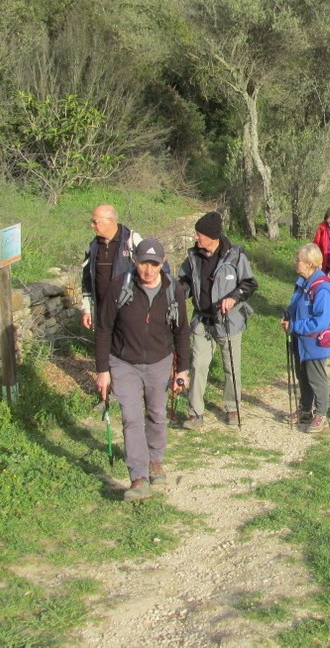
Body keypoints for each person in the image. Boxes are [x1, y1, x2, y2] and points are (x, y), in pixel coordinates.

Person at [95, 239, 190, 501]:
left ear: (163, 263)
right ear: (135, 261)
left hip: (159, 361)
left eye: (154, 264)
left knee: (157, 414)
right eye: (143, 263)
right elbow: (103, 329)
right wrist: (102, 370)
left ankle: (155, 460)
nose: (148, 270)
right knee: (131, 417)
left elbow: (181, 331)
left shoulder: (174, 291)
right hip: (123, 362)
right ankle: (138, 476)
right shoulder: (119, 286)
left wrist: (182, 369)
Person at [178, 211, 258, 429]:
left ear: (212, 236)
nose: (196, 238)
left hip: (229, 321)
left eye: (199, 234)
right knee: (198, 365)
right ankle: (195, 412)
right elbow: (183, 283)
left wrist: (233, 297)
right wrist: (175, 294)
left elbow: (250, 284)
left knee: (231, 366)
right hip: (202, 322)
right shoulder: (193, 257)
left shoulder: (235, 256)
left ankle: (232, 407)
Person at [281, 243, 330, 434]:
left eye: (299, 260)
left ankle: (321, 415)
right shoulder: (302, 282)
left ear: (310, 264)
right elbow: (296, 306)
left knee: (316, 378)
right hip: (299, 340)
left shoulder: (323, 288)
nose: (296, 262)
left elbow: (321, 321)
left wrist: (295, 326)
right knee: (302, 376)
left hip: (314, 342)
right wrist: (288, 314)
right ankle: (305, 411)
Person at [81, 205, 143, 330]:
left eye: (95, 222)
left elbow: (152, 272)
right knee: (104, 347)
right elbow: (87, 280)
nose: (92, 226)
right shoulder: (92, 247)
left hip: (130, 312)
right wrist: (88, 310)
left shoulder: (132, 241)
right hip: (103, 312)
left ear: (110, 221)